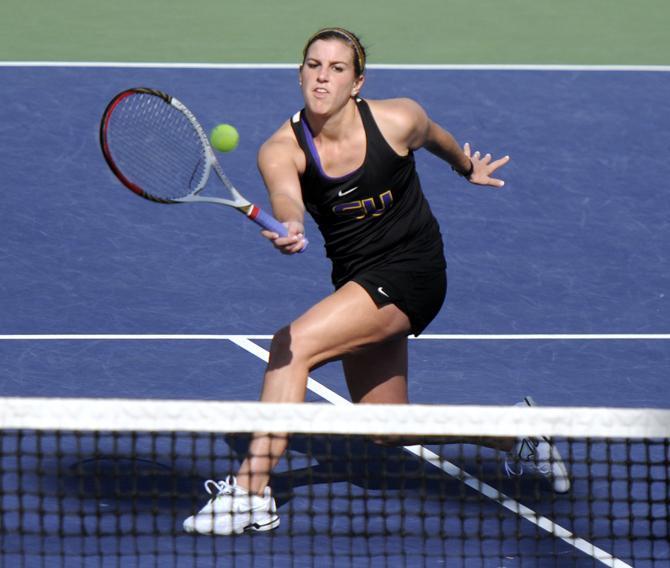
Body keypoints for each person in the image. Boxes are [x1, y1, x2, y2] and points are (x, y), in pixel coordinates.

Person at [184, 27, 570, 536]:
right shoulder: (282, 149)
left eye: (336, 68)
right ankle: (514, 433)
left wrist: (465, 167)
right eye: (313, 65)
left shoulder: (397, 119)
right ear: (299, 73)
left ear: (357, 81)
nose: (322, 77)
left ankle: (251, 494)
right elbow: (285, 197)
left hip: (415, 270)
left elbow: (435, 136)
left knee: (291, 346)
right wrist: (291, 225)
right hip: (359, 280)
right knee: (384, 427)